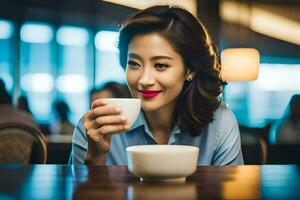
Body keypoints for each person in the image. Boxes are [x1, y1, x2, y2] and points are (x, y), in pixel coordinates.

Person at [70, 6, 243, 166]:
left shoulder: (220, 124)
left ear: (190, 69)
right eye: (134, 64)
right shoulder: (95, 128)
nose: (144, 80)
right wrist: (95, 157)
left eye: (160, 65)